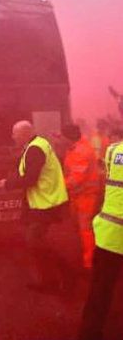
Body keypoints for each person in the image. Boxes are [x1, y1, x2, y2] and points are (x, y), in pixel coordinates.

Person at [0, 120, 71, 292]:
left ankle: (59, 277)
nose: (12, 136)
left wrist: (7, 184)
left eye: (14, 133)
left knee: (35, 242)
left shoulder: (35, 149)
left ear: (24, 133)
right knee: (36, 241)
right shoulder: (37, 144)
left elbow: (31, 178)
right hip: (43, 202)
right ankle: (52, 279)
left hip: (45, 204)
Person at [78, 127, 123, 340]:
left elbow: (106, 185)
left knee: (99, 293)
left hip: (110, 234)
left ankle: (88, 334)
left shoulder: (113, 151)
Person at [62, 124, 101, 269]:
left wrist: (57, 186)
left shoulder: (81, 151)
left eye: (63, 137)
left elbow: (75, 178)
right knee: (80, 228)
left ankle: (89, 262)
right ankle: (86, 257)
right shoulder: (74, 148)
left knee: (86, 229)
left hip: (86, 196)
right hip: (78, 196)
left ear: (69, 138)